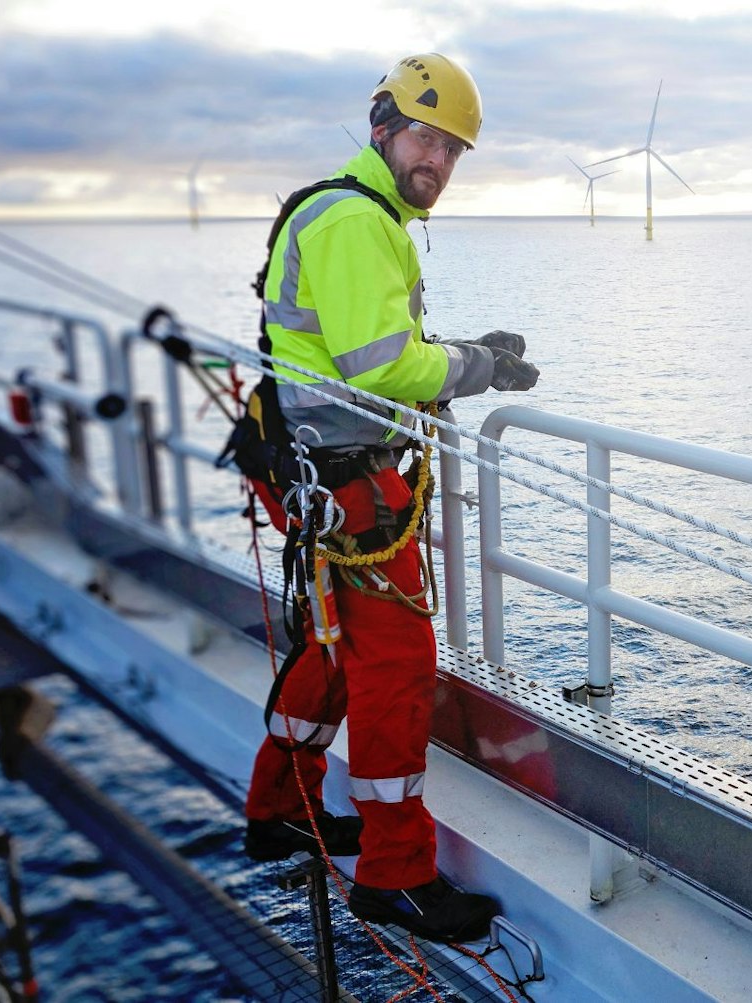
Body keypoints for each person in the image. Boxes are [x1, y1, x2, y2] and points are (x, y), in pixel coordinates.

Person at [240, 52, 538, 945]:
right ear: (382, 127)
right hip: (344, 484)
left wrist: (451, 349)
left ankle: (280, 809)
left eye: (452, 149)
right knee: (397, 663)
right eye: (424, 136)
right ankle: (395, 875)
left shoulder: (357, 217)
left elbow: (365, 347)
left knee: (333, 648)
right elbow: (382, 365)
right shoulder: (355, 221)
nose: (437, 161)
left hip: (319, 470)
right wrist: (476, 365)